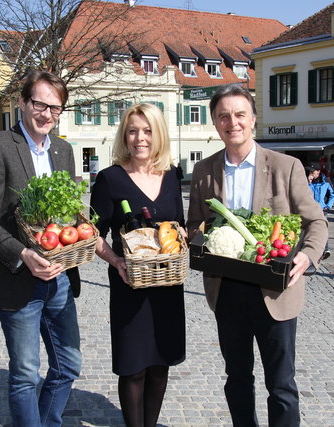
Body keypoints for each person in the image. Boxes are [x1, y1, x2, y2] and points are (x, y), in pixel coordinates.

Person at [187, 84, 328, 427]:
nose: (231, 122)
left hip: (275, 290)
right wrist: (199, 241)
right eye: (223, 116)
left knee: (281, 384)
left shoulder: (286, 166)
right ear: (215, 123)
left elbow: (316, 222)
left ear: (252, 119)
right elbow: (194, 225)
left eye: (239, 114)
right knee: (236, 378)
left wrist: (307, 256)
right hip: (227, 290)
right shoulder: (204, 171)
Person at [0, 70, 82, 426]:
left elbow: (71, 212)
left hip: (59, 277)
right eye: (39, 104)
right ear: (22, 102)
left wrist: (81, 230)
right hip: (17, 279)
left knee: (69, 365)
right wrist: (22, 254)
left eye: (56, 108)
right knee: (26, 374)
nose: (47, 114)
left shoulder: (64, 150)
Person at [90, 103, 186, 427]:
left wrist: (184, 236)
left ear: (158, 134)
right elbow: (93, 234)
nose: (139, 138)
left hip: (168, 287)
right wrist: (116, 260)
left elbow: (180, 225)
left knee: (160, 367)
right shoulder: (110, 179)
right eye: (132, 130)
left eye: (147, 130)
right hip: (129, 285)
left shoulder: (172, 176)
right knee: (133, 369)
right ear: (124, 135)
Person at [306, 165, 334, 260]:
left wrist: (328, 206)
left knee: (322, 229)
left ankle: (326, 250)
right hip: (310, 209)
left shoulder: (326, 181)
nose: (311, 173)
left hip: (322, 209)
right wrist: (308, 182)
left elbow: (333, 194)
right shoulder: (306, 181)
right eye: (310, 172)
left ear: (318, 171)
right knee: (310, 229)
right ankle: (310, 250)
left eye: (312, 172)